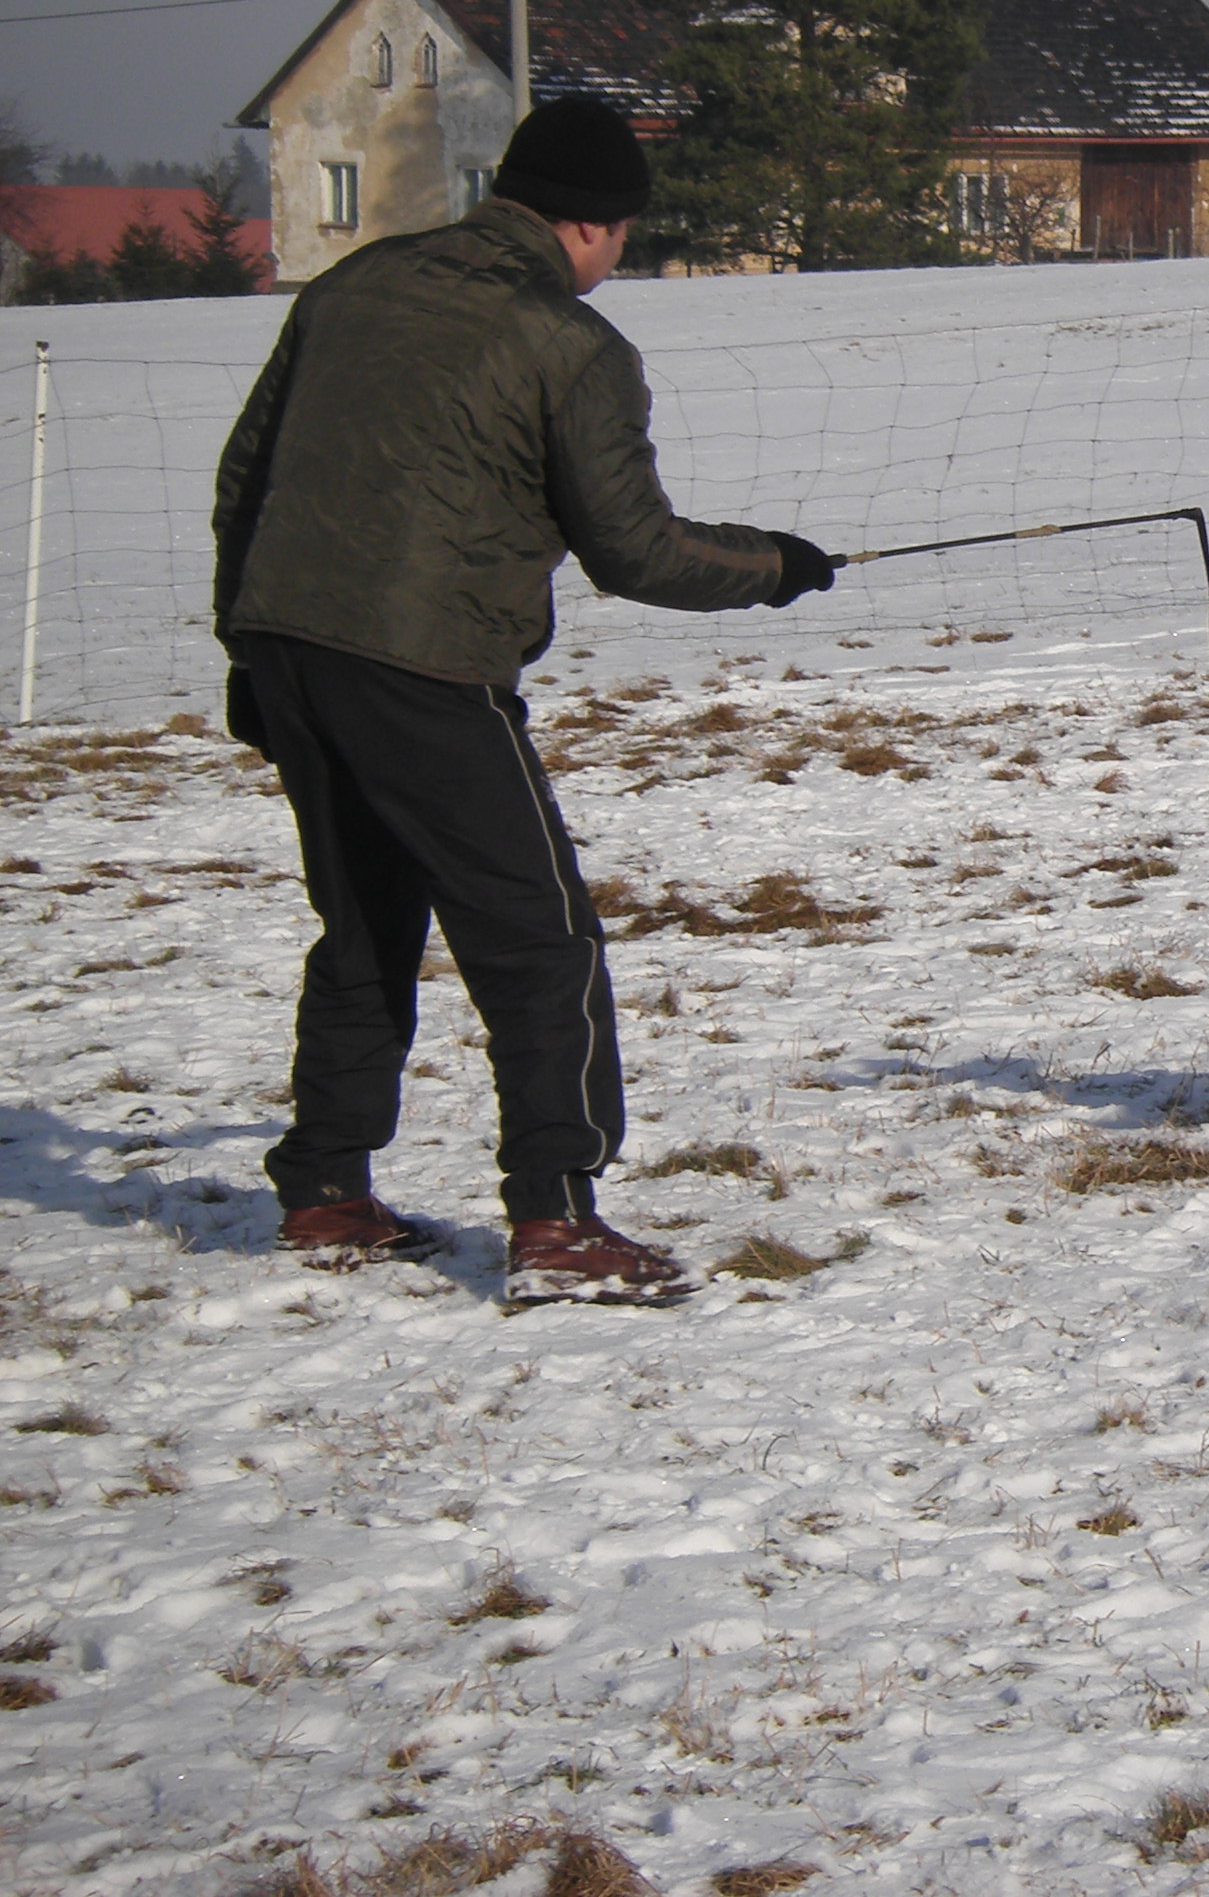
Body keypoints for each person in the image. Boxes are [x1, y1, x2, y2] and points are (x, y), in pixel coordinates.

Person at [211, 94, 841, 1301]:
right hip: (425, 662)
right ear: (597, 227)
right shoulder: (569, 345)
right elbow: (638, 552)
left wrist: (248, 646)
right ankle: (557, 1220)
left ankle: (326, 1187)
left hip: (289, 635)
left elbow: (249, 470)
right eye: (626, 238)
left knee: (365, 917)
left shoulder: (354, 285)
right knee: (541, 937)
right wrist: (772, 566)